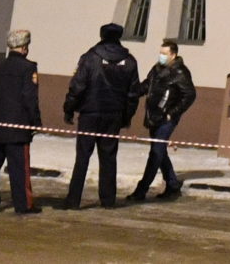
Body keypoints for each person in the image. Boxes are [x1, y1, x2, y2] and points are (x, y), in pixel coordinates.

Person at [63, 23, 140, 209]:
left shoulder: (90, 58)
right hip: (113, 115)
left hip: (90, 113)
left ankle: (73, 200)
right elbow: (133, 93)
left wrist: (69, 108)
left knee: (82, 157)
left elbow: (77, 86)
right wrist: (126, 116)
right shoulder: (129, 61)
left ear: (102, 35)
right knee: (109, 158)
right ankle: (108, 200)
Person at [0, 29, 44, 215]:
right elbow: (29, 97)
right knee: (19, 170)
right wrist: (35, 122)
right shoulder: (28, 68)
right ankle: (23, 204)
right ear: (24, 48)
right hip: (18, 128)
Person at [132, 38, 197, 200]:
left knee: (155, 153)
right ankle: (173, 185)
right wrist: (132, 92)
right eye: (160, 53)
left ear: (173, 55)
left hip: (167, 118)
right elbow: (148, 84)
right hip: (154, 116)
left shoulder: (180, 72)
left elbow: (189, 95)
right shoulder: (157, 68)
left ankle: (141, 190)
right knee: (159, 152)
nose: (161, 56)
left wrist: (172, 113)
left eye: (164, 54)